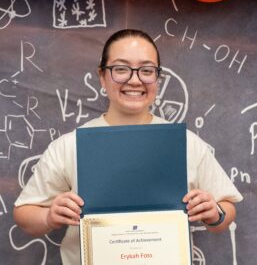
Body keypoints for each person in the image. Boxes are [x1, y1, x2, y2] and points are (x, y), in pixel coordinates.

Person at [13, 29, 243, 265]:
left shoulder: (185, 142)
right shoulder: (70, 145)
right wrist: (49, 217)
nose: (135, 80)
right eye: (121, 69)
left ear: (157, 78)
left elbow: (227, 208)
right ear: (102, 76)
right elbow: (24, 212)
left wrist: (215, 213)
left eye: (146, 70)